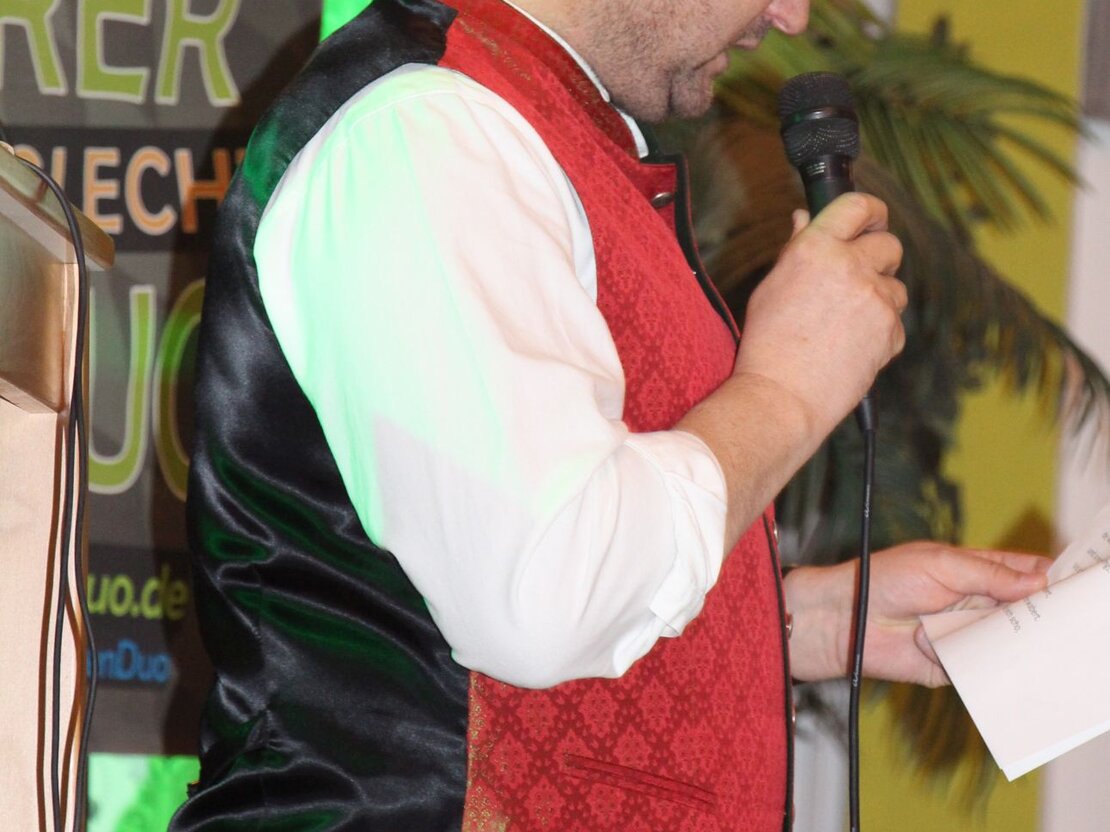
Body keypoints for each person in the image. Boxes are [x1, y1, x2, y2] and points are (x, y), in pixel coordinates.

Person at [169, 0, 1051, 829]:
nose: (792, 16)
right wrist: (786, 392)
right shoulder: (425, 131)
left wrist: (797, 620)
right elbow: (546, 595)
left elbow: (518, 570)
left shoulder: (531, 125)